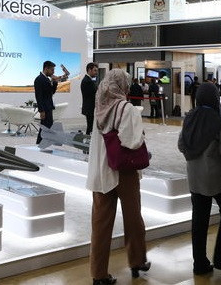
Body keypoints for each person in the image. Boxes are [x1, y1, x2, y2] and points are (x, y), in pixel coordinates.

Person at [87, 69, 149, 284]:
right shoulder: (126, 108)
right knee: (133, 218)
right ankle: (137, 261)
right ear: (123, 85)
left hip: (101, 172)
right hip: (124, 172)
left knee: (100, 224)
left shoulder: (99, 108)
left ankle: (99, 274)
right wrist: (141, 135)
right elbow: (132, 141)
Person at [178, 82, 221, 276]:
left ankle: (200, 264)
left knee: (199, 220)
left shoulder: (189, 118)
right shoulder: (219, 123)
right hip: (217, 180)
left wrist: (193, 157)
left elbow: (181, 145)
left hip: (195, 179)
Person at [34, 60, 66, 144]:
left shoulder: (47, 79)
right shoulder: (39, 79)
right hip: (45, 108)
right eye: (52, 70)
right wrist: (41, 111)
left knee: (47, 127)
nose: (53, 72)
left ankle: (41, 143)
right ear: (46, 69)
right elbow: (38, 96)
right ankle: (39, 143)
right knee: (45, 127)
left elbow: (51, 92)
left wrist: (55, 82)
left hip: (48, 107)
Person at [81, 63, 99, 135]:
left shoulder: (88, 80)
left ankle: (89, 139)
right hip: (90, 108)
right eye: (95, 70)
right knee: (90, 127)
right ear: (89, 70)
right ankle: (88, 140)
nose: (96, 72)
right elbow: (94, 94)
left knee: (90, 126)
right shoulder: (87, 81)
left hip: (89, 107)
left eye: (97, 70)